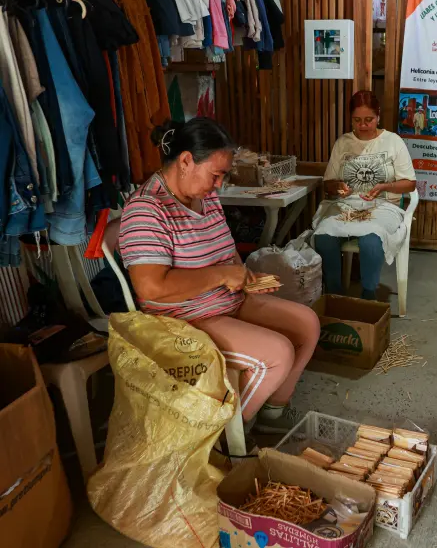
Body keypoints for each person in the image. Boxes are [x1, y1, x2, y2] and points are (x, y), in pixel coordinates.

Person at [118, 117, 320, 432]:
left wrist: (243, 277)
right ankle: (224, 436)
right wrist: (222, 276)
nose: (219, 186)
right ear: (186, 160)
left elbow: (224, 254)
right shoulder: (147, 210)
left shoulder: (205, 197)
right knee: (277, 353)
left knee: (306, 323)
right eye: (216, 175)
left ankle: (271, 412)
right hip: (183, 319)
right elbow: (151, 288)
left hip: (225, 301)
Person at [314, 90, 416, 300]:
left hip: (384, 207)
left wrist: (384, 186)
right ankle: (334, 294)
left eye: (368, 119)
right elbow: (328, 184)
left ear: (378, 116)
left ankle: (368, 295)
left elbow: (410, 183)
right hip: (348, 206)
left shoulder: (393, 141)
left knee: (371, 241)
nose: (363, 125)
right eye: (357, 120)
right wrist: (339, 186)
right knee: (323, 236)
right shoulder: (343, 142)